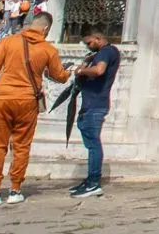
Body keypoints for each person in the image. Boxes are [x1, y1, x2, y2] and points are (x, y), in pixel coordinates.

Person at [0, 10, 72, 206]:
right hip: (27, 100)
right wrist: (68, 72)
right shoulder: (47, 49)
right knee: (21, 146)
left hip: (3, 97)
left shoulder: (8, 42)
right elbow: (59, 76)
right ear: (46, 28)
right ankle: (15, 189)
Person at [69, 26, 121, 198]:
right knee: (90, 141)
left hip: (96, 104)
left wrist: (81, 70)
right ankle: (90, 180)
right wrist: (86, 61)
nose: (88, 46)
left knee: (93, 144)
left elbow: (99, 70)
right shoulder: (102, 53)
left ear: (97, 38)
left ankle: (93, 182)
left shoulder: (106, 52)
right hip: (91, 103)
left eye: (89, 42)